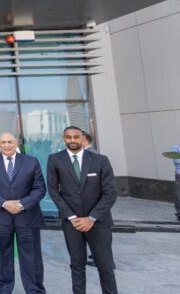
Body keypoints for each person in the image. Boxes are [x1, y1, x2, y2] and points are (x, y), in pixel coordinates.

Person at [47, 126, 118, 294]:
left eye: (76, 137)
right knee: (77, 266)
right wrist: (72, 217)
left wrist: (91, 218)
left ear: (82, 138)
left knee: (105, 266)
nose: (72, 140)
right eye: (68, 137)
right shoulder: (55, 159)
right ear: (64, 139)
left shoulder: (100, 160)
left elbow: (110, 194)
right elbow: (54, 192)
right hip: (72, 223)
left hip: (98, 222)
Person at [0, 133, 46, 294]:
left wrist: (21, 204)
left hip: (27, 216)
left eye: (10, 142)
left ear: (16, 143)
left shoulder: (31, 161)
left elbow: (40, 188)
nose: (7, 145)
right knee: (2, 256)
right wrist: (5, 203)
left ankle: (35, 290)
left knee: (31, 257)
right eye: (3, 142)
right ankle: (4, 290)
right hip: (0, 216)